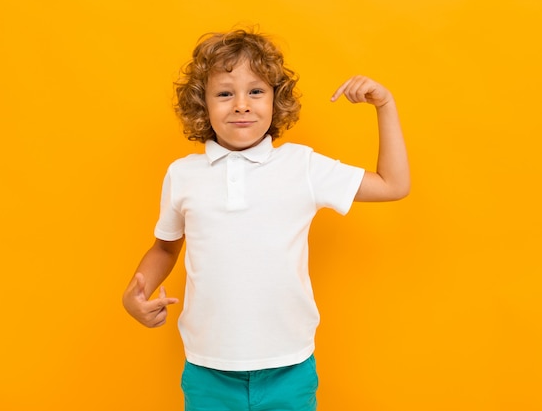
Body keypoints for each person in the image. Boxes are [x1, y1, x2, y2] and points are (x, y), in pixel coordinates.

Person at [122, 27, 410, 411]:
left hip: (289, 367)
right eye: (225, 93)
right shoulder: (183, 174)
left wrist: (385, 105)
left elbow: (393, 184)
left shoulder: (302, 166)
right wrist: (135, 295)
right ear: (201, 103)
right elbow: (165, 247)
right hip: (208, 369)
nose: (241, 104)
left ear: (276, 98)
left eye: (255, 91)